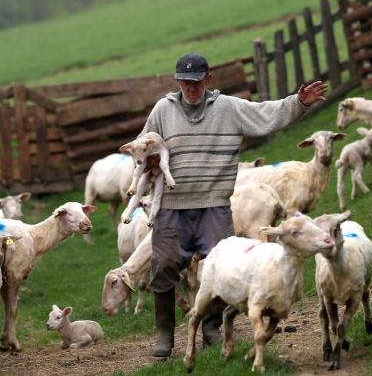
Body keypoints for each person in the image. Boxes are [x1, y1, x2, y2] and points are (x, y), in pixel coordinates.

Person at [139, 53, 327, 357]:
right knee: (164, 265)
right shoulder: (163, 110)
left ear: (208, 80)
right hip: (172, 206)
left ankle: (212, 329)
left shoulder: (227, 107)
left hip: (214, 204)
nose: (191, 88)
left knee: (220, 265)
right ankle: (164, 334)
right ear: (178, 82)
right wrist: (145, 163)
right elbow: (144, 143)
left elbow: (266, 114)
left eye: (196, 82)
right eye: (185, 83)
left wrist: (298, 103)